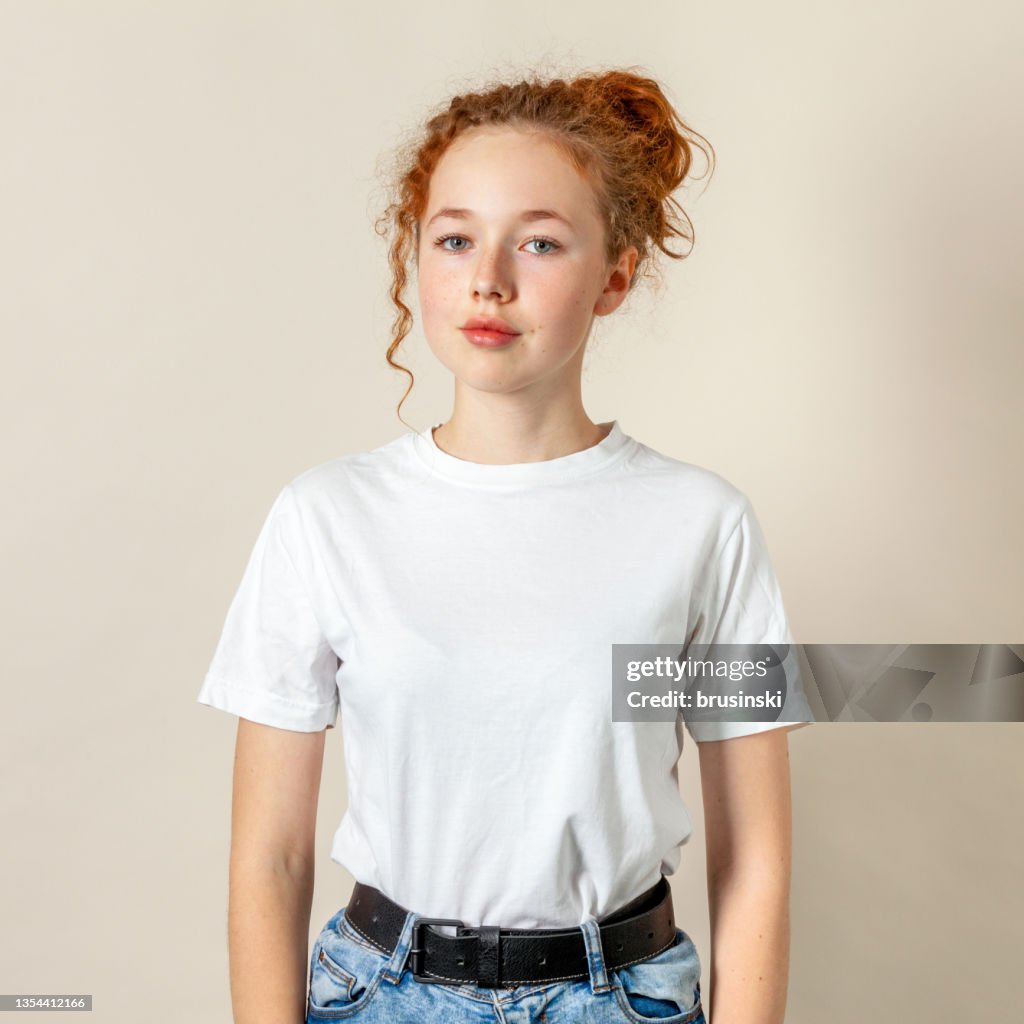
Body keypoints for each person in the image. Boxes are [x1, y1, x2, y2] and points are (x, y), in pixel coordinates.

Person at [197, 65, 814, 1024]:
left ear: (615, 276)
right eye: (454, 238)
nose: (488, 277)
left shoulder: (701, 526)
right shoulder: (326, 519)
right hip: (378, 996)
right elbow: (271, 855)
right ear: (417, 262)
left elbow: (756, 859)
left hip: (623, 998)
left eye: (539, 241)